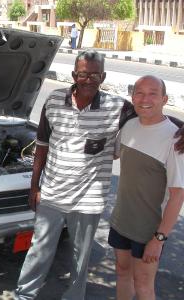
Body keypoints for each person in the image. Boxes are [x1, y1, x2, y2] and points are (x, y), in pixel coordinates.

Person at [13, 50, 184, 300]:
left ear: (102, 76)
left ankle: (74, 296)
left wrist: (182, 127)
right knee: (39, 251)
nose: (88, 79)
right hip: (52, 194)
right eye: (83, 73)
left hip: (88, 201)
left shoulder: (117, 108)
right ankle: (24, 295)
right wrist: (34, 186)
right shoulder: (53, 99)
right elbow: (41, 146)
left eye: (95, 74)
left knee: (80, 259)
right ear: (74, 75)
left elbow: (151, 113)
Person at [108, 75, 184, 300]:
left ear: (164, 99)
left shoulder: (175, 140)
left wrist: (159, 239)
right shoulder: (129, 126)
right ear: (132, 97)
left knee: (143, 286)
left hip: (148, 230)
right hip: (121, 220)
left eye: (153, 93)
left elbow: (177, 197)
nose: (145, 99)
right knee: (122, 273)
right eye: (139, 93)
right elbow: (111, 154)